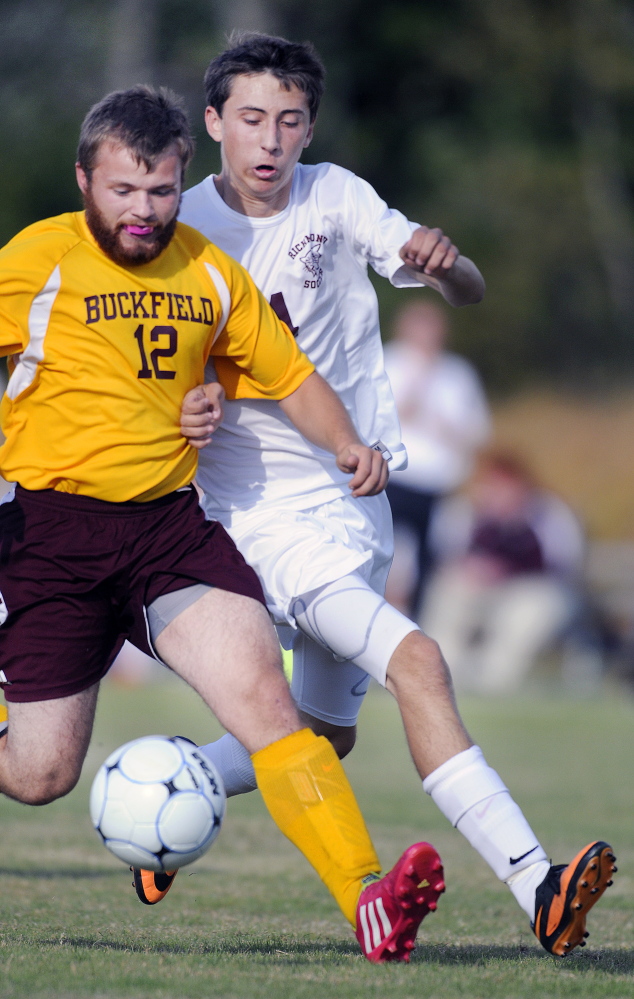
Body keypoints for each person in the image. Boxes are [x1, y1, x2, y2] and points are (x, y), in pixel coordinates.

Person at [138, 34, 615, 957]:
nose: (270, 141)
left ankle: (176, 786)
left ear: (310, 125)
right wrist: (185, 409)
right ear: (213, 124)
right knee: (421, 661)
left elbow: (466, 289)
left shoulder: (338, 194)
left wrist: (446, 262)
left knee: (325, 733)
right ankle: (538, 885)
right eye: (249, 120)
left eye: (288, 121)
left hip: (361, 505)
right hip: (268, 520)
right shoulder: (183, 231)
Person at [0, 85, 449, 965]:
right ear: (84, 179)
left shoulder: (207, 268)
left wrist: (348, 441)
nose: (143, 210)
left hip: (170, 532)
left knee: (268, 706)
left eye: (162, 190)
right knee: (41, 772)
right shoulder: (35, 259)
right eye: (123, 190)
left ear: (182, 180)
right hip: (54, 537)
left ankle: (369, 898)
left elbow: (288, 375)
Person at [421, 451, 589, 693]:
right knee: (448, 591)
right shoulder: (464, 512)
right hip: (476, 588)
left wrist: (508, 571)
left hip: (528, 591)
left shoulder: (549, 513)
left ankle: (494, 681)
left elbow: (563, 567)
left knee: (531, 610)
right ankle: (441, 672)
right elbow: (446, 556)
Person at [384, 300, 491, 619]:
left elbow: (477, 432)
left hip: (439, 485)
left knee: (430, 560)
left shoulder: (457, 374)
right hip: (393, 478)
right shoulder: (387, 362)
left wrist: (444, 426)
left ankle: (417, 623)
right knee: (386, 555)